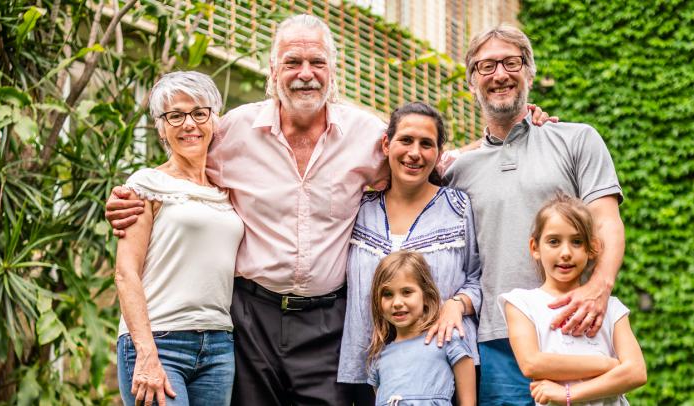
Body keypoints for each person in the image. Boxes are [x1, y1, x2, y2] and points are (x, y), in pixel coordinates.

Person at [104, 15, 556, 405]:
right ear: (273, 70)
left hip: (327, 324)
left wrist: (517, 128)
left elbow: (428, 158)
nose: (305, 73)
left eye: (317, 62)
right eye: (293, 62)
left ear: (332, 70)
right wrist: (135, 193)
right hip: (249, 319)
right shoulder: (233, 132)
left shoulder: (365, 134)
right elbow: (184, 158)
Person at [442, 25, 626, 404]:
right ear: (471, 81)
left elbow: (606, 220)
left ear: (529, 71)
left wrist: (600, 287)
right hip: (495, 341)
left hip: (573, 325)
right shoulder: (457, 171)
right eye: (486, 66)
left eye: (512, 62)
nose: (500, 74)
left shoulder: (577, 140)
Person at [113, 71, 242, 406]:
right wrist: (146, 353)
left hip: (218, 345)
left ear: (215, 120)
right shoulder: (147, 184)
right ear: (161, 127)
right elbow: (126, 272)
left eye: (199, 113)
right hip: (159, 341)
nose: (189, 124)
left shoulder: (227, 190)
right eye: (176, 116)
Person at [338, 102, 481, 398]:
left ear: (438, 154)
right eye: (406, 140)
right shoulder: (359, 208)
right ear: (387, 144)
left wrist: (458, 303)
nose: (415, 153)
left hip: (440, 371)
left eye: (426, 144)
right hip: (370, 369)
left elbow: (480, 276)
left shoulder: (458, 207)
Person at [498, 194, 646, 405]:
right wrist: (609, 365)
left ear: (592, 248)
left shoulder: (612, 308)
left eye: (577, 242)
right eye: (554, 242)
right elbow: (532, 363)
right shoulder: (522, 304)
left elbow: (637, 372)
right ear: (535, 247)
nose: (566, 252)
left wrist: (566, 394)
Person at [367, 251, 476, 406]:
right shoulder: (379, 357)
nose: (397, 302)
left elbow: (468, 402)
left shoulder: (446, 340)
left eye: (407, 292)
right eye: (388, 294)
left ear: (426, 296)